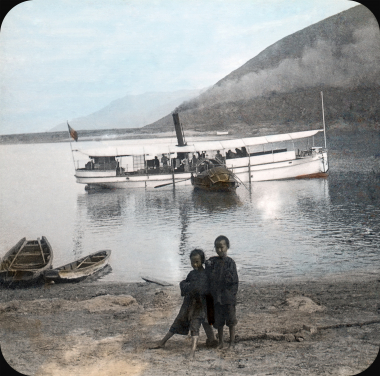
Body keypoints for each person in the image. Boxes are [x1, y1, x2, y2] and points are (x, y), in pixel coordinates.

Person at [151, 249, 217, 358]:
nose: (194, 264)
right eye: (192, 262)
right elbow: (189, 286)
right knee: (179, 320)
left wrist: (190, 287)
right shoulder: (192, 273)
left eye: (197, 262)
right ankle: (162, 342)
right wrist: (185, 285)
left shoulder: (206, 274)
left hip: (200, 304)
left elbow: (203, 289)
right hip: (189, 303)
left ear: (202, 261)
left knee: (196, 324)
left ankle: (192, 351)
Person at [205, 235, 238, 349]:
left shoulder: (230, 262)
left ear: (227, 247)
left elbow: (234, 281)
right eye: (217, 247)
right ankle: (221, 342)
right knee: (218, 321)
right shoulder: (212, 262)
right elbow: (208, 276)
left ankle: (232, 341)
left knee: (231, 320)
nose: (219, 250)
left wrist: (232, 295)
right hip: (217, 297)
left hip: (228, 297)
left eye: (222, 247)